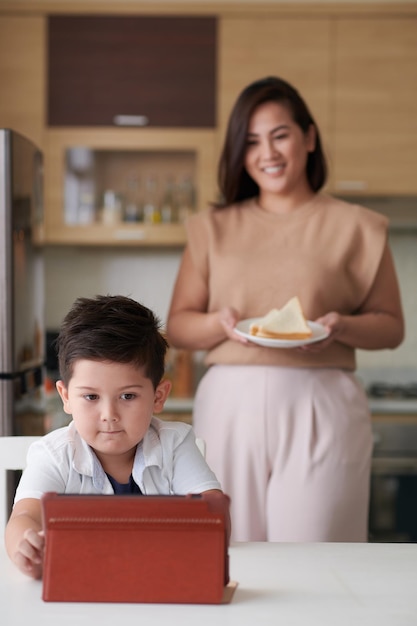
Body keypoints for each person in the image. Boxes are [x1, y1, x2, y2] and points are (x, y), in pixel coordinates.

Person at [166, 76, 405, 543]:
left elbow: (391, 326)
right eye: (251, 141)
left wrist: (343, 326)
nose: (267, 153)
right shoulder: (213, 228)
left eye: (280, 135)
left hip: (323, 403)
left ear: (309, 137)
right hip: (229, 403)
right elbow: (178, 326)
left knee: (317, 550)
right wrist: (220, 323)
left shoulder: (358, 226)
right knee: (227, 547)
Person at [5, 294, 223, 579]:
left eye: (128, 396)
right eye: (91, 396)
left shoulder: (175, 443)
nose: (109, 414)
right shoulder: (53, 454)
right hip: (80, 588)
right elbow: (24, 517)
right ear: (66, 397)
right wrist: (26, 545)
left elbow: (215, 512)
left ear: (158, 397)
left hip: (159, 583)